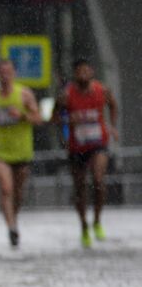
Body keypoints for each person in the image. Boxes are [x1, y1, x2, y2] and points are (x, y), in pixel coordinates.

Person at [55, 58, 118, 248]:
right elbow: (54, 117)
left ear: (92, 71)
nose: (83, 74)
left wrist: (112, 127)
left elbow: (113, 105)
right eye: (79, 71)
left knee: (99, 180)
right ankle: (84, 226)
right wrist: (67, 120)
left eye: (86, 70)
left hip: (98, 143)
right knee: (80, 187)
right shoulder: (66, 95)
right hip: (77, 146)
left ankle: (97, 220)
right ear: (75, 74)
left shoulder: (102, 90)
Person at [0, 57, 41, 248]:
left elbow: (38, 118)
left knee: (18, 192)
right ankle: (11, 228)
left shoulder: (24, 94)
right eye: (2, 72)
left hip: (21, 151)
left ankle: (13, 219)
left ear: (14, 73)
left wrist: (23, 115)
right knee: (6, 188)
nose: (5, 76)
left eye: (8, 72)